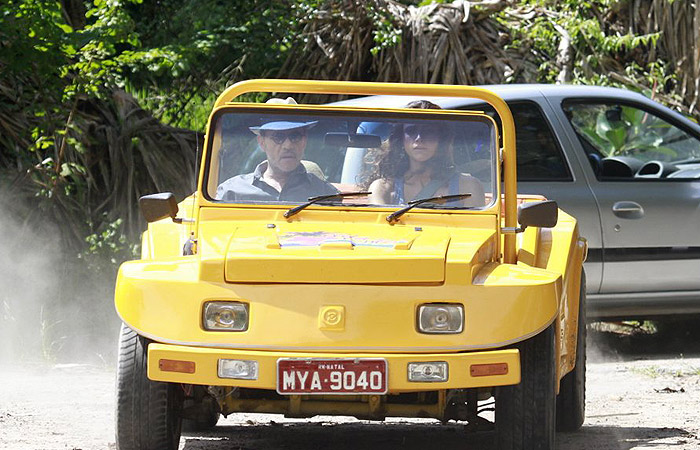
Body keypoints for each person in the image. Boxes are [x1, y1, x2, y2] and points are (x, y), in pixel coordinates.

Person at [366, 100, 485, 207]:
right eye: (411, 131)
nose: (419, 138)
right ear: (401, 138)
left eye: (428, 131)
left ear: (441, 138)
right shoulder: (383, 188)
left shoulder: (468, 187)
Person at [216, 108, 338, 202]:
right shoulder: (232, 192)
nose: (288, 145)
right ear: (262, 143)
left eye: (295, 136)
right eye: (278, 137)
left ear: (304, 141)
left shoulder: (325, 194)